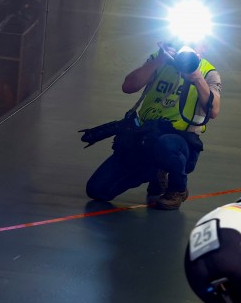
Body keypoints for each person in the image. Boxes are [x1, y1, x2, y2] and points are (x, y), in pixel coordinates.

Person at [85, 39, 222, 210]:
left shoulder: (207, 72)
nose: (188, 47)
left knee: (166, 145)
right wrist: (160, 60)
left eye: (195, 44)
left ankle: (177, 189)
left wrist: (197, 79)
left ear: (204, 47)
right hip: (144, 138)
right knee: (97, 190)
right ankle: (155, 173)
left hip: (179, 143)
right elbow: (128, 86)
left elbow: (214, 110)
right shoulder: (160, 60)